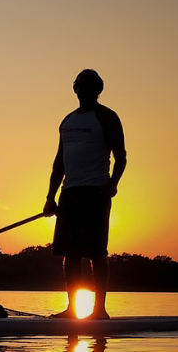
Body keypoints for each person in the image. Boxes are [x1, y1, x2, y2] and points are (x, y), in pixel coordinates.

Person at [43, 69, 126, 319]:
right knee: (71, 254)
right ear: (75, 88)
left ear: (99, 90)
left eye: (92, 86)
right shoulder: (67, 121)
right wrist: (50, 197)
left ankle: (99, 310)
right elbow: (60, 162)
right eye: (82, 85)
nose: (86, 90)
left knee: (96, 253)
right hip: (70, 193)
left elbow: (121, 156)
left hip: (96, 193)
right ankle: (72, 309)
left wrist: (112, 183)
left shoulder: (107, 117)